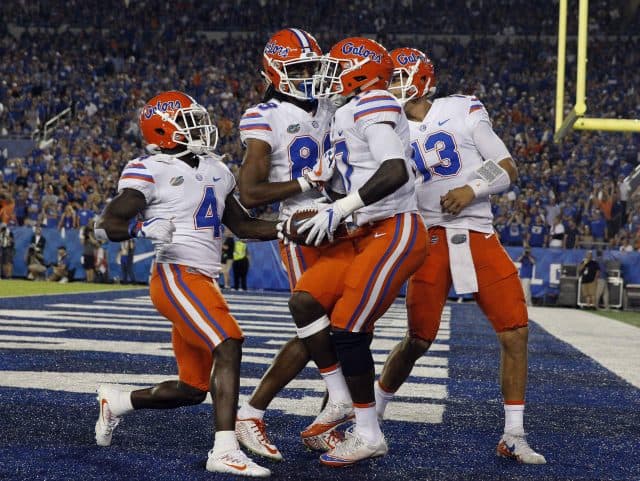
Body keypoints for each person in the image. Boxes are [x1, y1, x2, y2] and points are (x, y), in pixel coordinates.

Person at [93, 90, 278, 477]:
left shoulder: (217, 169)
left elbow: (244, 227)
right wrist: (141, 230)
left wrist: (294, 226)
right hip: (175, 276)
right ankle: (224, 451)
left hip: (203, 280)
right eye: (188, 120)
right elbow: (109, 223)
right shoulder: (150, 167)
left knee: (193, 389)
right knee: (229, 342)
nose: (200, 126)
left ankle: (119, 401)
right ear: (162, 130)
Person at [376, 48, 545, 464]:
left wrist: (472, 189)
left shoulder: (462, 108)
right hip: (428, 236)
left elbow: (506, 165)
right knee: (418, 339)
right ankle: (370, 419)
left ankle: (513, 433)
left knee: (515, 331)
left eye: (397, 77)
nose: (390, 85)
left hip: (475, 230)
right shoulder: (382, 125)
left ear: (422, 79)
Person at [285, 37, 428, 467]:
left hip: (394, 228)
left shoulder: (374, 102)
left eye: (336, 66)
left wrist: (341, 207)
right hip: (361, 231)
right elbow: (356, 170)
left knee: (348, 330)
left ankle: (368, 433)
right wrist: (327, 187)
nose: (327, 75)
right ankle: (342, 399)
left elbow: (394, 170)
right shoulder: (345, 110)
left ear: (360, 70)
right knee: (306, 301)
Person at [234, 28, 338, 460]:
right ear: (276, 73)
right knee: (318, 327)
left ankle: (325, 419)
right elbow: (250, 192)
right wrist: (302, 181)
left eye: (314, 66)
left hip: (338, 221)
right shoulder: (264, 116)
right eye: (300, 69)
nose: (311, 76)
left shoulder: (333, 103)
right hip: (300, 226)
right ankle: (252, 412)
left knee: (345, 328)